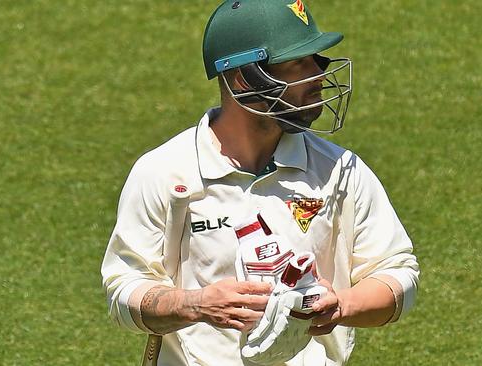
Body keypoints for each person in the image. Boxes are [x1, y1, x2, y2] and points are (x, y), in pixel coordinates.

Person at [101, 1, 420, 365]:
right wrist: (196, 305)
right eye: (298, 63)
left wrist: (342, 306)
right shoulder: (164, 173)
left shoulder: (341, 170)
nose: (318, 74)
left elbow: (399, 275)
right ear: (243, 78)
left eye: (316, 58)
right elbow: (123, 293)